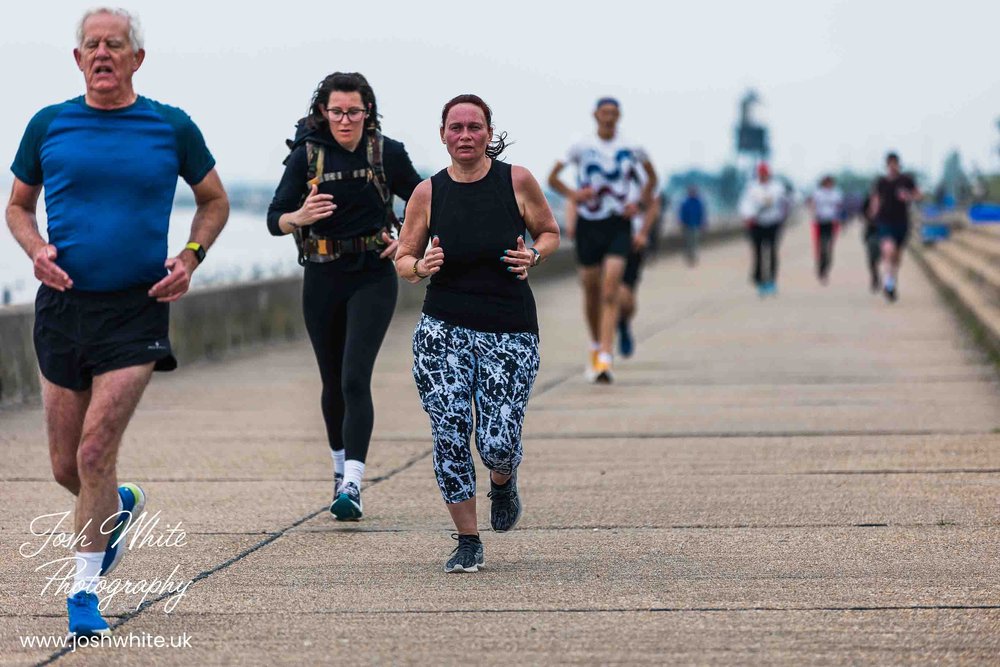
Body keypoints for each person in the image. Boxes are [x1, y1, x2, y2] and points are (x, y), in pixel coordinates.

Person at [5, 9, 229, 637]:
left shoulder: (169, 125)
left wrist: (191, 258)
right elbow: (18, 206)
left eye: (115, 44)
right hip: (63, 308)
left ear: (137, 58)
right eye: (91, 45)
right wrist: (36, 249)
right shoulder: (49, 125)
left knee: (96, 451)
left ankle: (82, 594)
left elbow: (215, 199)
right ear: (78, 59)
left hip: (137, 307)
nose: (103, 53)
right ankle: (119, 507)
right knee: (64, 466)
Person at [397, 94, 559, 573]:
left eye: (474, 127)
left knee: (496, 442)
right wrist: (419, 265)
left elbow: (550, 232)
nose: (464, 135)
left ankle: (504, 481)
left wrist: (535, 253)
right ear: (443, 134)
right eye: (455, 127)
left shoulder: (517, 181)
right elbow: (404, 258)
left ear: (489, 133)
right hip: (442, 330)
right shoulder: (428, 193)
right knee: (448, 431)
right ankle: (468, 539)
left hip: (509, 330)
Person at [267, 72, 421, 521]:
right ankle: (339, 472)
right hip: (321, 277)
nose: (346, 119)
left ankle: (353, 483)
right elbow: (275, 217)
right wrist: (300, 214)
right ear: (323, 112)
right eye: (337, 111)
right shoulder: (306, 157)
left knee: (355, 377)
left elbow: (424, 200)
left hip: (372, 275)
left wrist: (408, 241)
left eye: (354, 111)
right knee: (332, 382)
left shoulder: (385, 152)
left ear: (367, 111)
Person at [548, 97, 656, 383]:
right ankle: (595, 345)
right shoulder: (580, 146)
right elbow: (552, 178)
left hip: (619, 224)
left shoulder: (632, 147)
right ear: (595, 115)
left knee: (611, 290)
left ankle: (606, 357)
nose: (608, 117)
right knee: (591, 290)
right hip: (588, 225)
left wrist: (639, 205)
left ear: (619, 116)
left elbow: (652, 181)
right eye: (604, 112)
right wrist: (573, 195)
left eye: (613, 113)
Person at [617, 173, 660, 359]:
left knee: (627, 297)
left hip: (632, 244)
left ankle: (623, 323)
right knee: (608, 290)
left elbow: (653, 205)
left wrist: (643, 234)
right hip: (604, 242)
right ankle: (600, 349)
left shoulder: (639, 179)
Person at [868, 152, 922, 302]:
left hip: (902, 222)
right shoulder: (881, 182)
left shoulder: (906, 180)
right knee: (888, 250)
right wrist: (873, 212)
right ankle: (888, 284)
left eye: (895, 163)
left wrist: (909, 196)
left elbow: (919, 195)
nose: (893, 166)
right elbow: (876, 198)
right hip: (884, 221)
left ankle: (892, 279)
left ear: (899, 164)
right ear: (886, 165)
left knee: (896, 257)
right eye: (890, 163)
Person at [739, 162, 788, 297]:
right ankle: (760, 279)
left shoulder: (777, 187)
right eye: (761, 173)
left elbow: (781, 201)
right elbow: (745, 204)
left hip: (773, 223)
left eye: (765, 173)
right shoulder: (751, 187)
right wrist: (748, 216)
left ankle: (771, 281)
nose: (763, 176)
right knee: (758, 253)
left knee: (772, 252)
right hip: (757, 224)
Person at [810, 175, 844, 284]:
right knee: (821, 246)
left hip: (831, 222)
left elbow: (840, 206)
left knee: (829, 247)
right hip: (820, 222)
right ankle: (820, 267)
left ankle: (826, 268)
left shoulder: (836, 193)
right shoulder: (818, 193)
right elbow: (813, 205)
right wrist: (814, 214)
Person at [678, 185, 707, 266]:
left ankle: (693, 256)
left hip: (696, 225)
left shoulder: (699, 202)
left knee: (694, 241)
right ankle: (689, 256)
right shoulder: (685, 202)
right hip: (687, 225)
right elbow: (681, 213)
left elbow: (702, 214)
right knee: (688, 242)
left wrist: (703, 223)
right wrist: (681, 221)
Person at [860, 192, 881, 292]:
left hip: (885, 232)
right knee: (872, 258)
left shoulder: (888, 201)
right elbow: (863, 214)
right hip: (871, 232)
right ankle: (875, 276)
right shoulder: (868, 200)